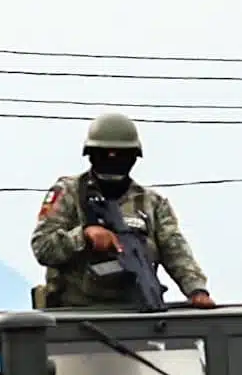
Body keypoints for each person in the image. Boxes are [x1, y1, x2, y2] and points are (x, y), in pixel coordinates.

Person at [32, 113, 215, 310]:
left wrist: (197, 290)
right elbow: (43, 248)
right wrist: (84, 235)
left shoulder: (151, 203)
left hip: (135, 313)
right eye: (105, 153)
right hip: (77, 315)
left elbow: (175, 250)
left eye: (121, 154)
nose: (112, 159)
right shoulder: (70, 193)